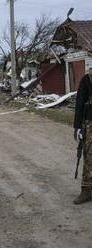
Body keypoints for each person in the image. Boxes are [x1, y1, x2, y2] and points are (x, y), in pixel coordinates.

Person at [73, 68, 92, 205]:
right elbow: (79, 103)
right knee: (89, 157)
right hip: (90, 123)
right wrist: (77, 126)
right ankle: (86, 190)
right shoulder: (87, 79)